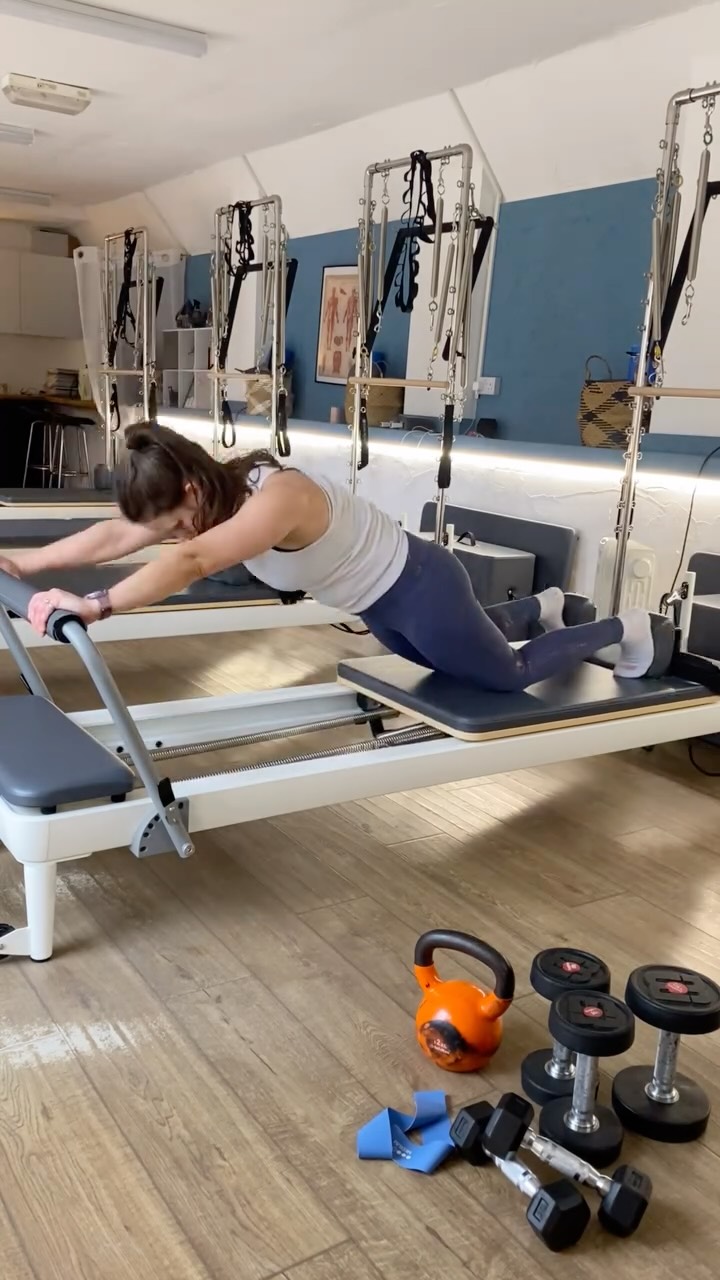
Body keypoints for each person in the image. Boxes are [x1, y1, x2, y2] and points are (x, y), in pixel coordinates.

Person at [0, 423, 662, 690]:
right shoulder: (211, 499)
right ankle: (543, 605)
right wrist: (23, 564)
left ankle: (623, 626)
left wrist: (97, 604)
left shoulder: (277, 497)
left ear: (192, 490)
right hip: (379, 607)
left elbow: (192, 562)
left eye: (175, 523)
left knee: (506, 675)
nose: (172, 535)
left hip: (420, 585)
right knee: (448, 657)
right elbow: (113, 536)